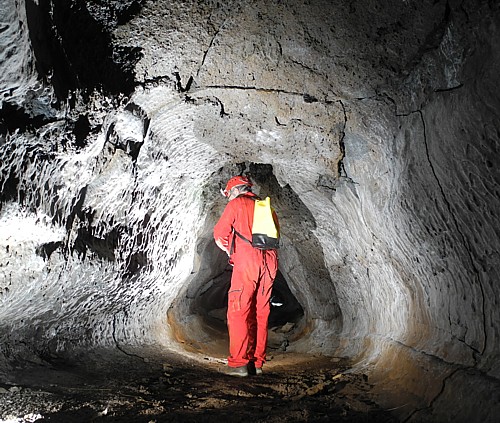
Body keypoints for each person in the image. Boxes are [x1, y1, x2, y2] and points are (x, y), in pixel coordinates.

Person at [214, 175, 279, 377]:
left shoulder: (236, 204)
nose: (229, 197)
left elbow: (219, 234)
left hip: (248, 260)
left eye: (228, 194)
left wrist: (231, 251)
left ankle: (239, 364)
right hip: (270, 262)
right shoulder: (266, 207)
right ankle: (256, 363)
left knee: (239, 310)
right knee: (261, 312)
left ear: (234, 190)